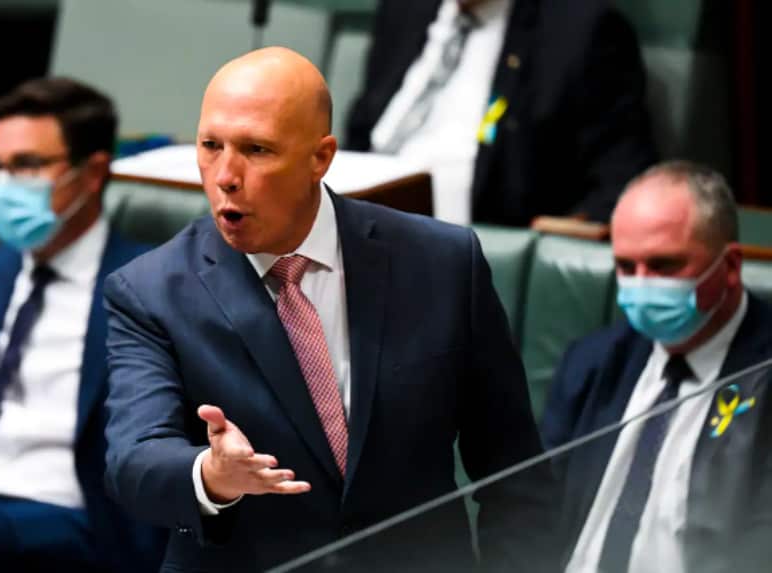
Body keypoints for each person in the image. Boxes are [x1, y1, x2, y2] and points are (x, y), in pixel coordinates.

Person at [103, 47, 546, 571]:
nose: (225, 174)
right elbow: (133, 459)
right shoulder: (150, 291)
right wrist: (211, 475)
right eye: (210, 145)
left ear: (321, 156)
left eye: (257, 150)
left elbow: (516, 476)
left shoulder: (443, 264)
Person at [0, 77, 163, 572]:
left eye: (26, 166)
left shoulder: (149, 289)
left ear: (91, 174)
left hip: (65, 519)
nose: (5, 186)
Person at [541, 161, 772, 572]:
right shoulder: (592, 363)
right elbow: (537, 511)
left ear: (731, 266)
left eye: (664, 265)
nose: (642, 284)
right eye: (626, 267)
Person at [346, 0, 657, 226]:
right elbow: (362, 127)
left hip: (466, 243)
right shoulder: (405, 10)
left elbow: (621, 179)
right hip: (360, 219)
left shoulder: (580, 31)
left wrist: (568, 227)